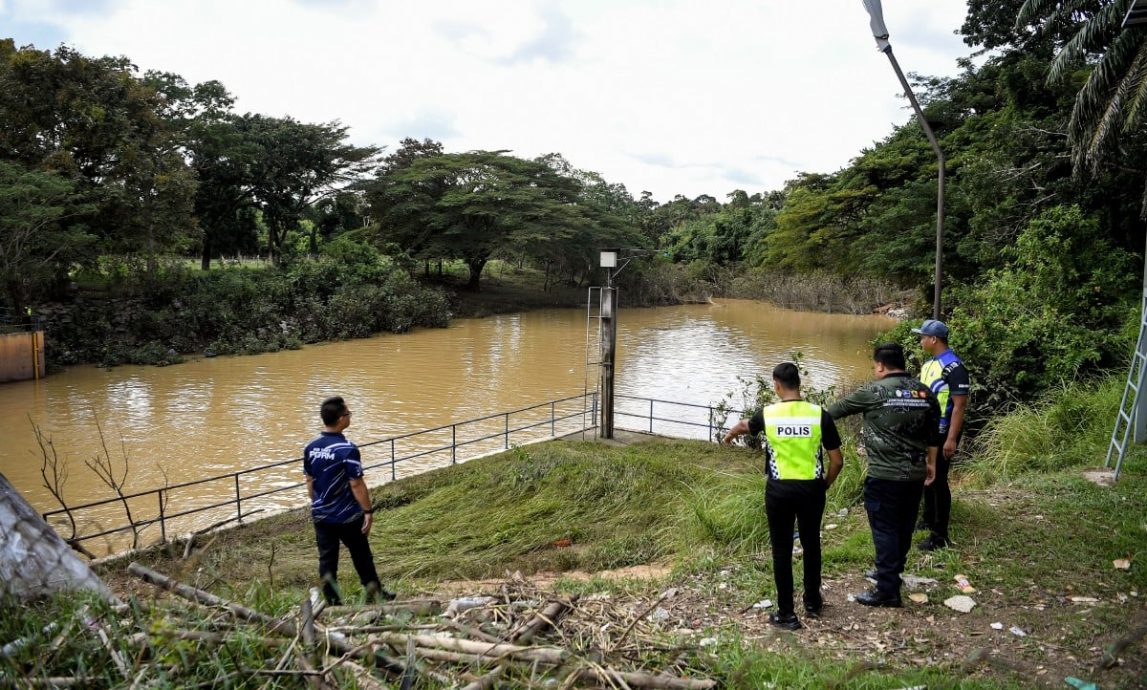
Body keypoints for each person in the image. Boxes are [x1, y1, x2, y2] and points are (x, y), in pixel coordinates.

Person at [723, 362, 845, 630]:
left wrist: (730, 434)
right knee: (812, 544)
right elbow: (837, 460)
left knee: (781, 550)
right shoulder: (818, 414)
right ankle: (813, 602)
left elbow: (746, 425)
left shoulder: (769, 414)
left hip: (779, 490)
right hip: (812, 488)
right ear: (798, 384)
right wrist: (824, 484)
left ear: (777, 385)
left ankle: (787, 614)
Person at [826, 344, 940, 608]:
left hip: (884, 475)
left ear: (880, 365)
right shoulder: (925, 392)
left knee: (885, 529)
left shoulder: (873, 391)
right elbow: (934, 432)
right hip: (915, 474)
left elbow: (832, 412)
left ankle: (887, 590)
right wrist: (931, 462)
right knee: (904, 526)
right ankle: (890, 573)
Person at [304, 396, 395, 605]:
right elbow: (356, 484)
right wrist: (368, 511)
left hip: (321, 515)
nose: (349, 417)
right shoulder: (347, 449)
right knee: (362, 555)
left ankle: (332, 601)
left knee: (327, 559)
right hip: (347, 515)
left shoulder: (311, 447)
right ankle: (374, 593)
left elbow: (309, 481)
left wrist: (318, 503)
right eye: (348, 414)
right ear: (340, 419)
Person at [911, 319, 969, 551]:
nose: (921, 340)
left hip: (944, 433)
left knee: (939, 481)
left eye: (923, 336)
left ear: (934, 339)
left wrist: (952, 438)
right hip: (928, 430)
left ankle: (940, 534)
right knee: (927, 476)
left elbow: (960, 405)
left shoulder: (954, 368)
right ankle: (927, 518)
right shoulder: (929, 364)